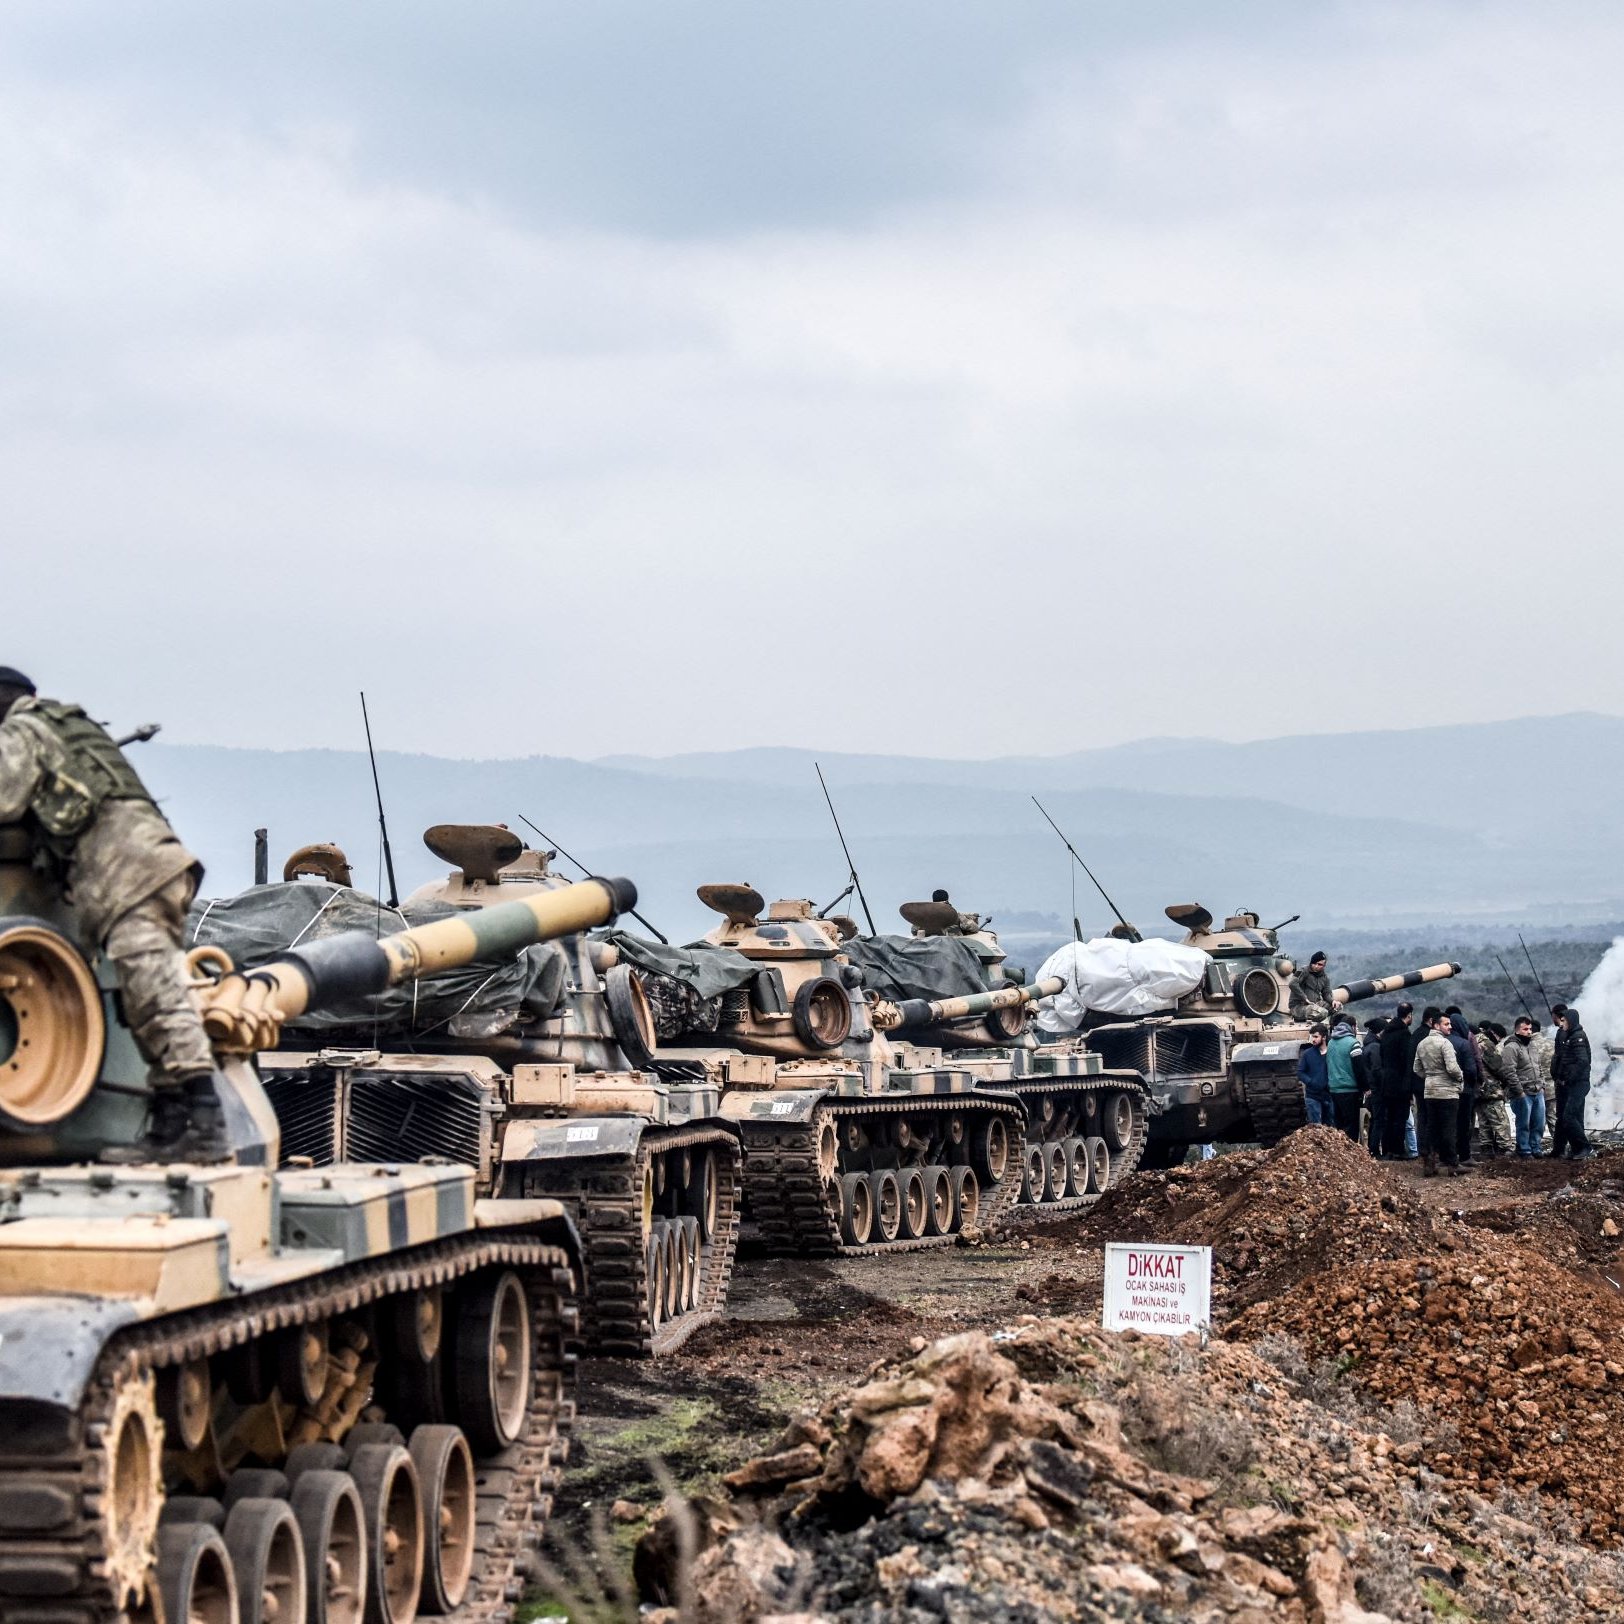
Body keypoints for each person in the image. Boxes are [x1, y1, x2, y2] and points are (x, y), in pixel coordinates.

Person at [0, 668, 230, 1163]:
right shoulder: (65, 728)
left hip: (129, 872)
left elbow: (4, 794)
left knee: (157, 993)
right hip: (149, 866)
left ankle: (206, 1122)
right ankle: (171, 1127)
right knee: (142, 999)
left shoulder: (23, 730)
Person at [1414, 1012, 1465, 1176]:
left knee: (1431, 1128)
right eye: (1446, 1024)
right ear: (1436, 1025)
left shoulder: (1422, 1044)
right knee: (1449, 1128)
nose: (1450, 1027)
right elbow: (1452, 1068)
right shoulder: (1445, 1044)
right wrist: (1460, 1077)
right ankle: (1452, 1164)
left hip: (1430, 1091)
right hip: (1447, 1092)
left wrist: (1430, 1077)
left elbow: (1417, 1068)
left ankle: (1429, 1163)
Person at [1551, 1004, 1594, 1159]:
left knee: (1569, 1116)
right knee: (1569, 1116)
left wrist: (1570, 1076)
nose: (1562, 1023)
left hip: (1578, 1083)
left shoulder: (1577, 1037)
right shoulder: (1568, 1036)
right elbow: (1561, 1058)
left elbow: (1582, 1061)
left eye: (1564, 1020)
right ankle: (1574, 1150)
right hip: (1568, 1083)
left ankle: (1584, 1148)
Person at [1501, 1014, 1545, 1158]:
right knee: (1523, 1124)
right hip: (1522, 1093)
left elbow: (1539, 1066)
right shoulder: (1511, 1047)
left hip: (1537, 1091)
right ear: (1517, 1030)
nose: (1529, 1032)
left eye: (1530, 1029)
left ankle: (1536, 1148)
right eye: (1525, 1029)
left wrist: (1542, 1085)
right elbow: (1509, 1071)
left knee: (1538, 1123)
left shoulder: (1532, 1046)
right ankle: (1524, 1150)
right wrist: (1519, 1091)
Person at [1444, 1004, 1482, 1164]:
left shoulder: (1443, 1042)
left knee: (1448, 1124)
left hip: (1446, 1090)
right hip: (1465, 1089)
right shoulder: (1464, 1043)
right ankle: (1465, 1156)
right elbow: (1472, 1068)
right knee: (1464, 1124)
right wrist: (1475, 1082)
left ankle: (1447, 1156)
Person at [1378, 1003, 1417, 1158]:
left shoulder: (1386, 1034)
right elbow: (1407, 1062)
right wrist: (1409, 1087)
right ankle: (1398, 1150)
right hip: (1400, 1083)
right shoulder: (1404, 1035)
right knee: (1400, 1118)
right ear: (1409, 1015)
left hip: (1386, 1082)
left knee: (1389, 1117)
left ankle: (1387, 1150)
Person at [1474, 1023, 1517, 1158]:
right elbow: (1498, 1066)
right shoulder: (1485, 1043)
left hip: (1477, 1089)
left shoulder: (1470, 1041)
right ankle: (1505, 1149)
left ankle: (1486, 1149)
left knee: (1483, 1121)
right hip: (1491, 1089)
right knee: (1500, 1120)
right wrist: (1506, 1082)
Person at [1325, 1016, 1364, 1143]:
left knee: (1339, 1125)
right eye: (1356, 1026)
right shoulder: (1353, 1043)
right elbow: (1359, 1068)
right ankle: (1352, 1155)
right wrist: (1365, 1087)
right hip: (1350, 1089)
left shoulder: (1330, 1043)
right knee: (1351, 1126)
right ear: (1352, 1027)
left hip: (1334, 1089)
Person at [1297, 1023, 1333, 1126]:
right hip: (1313, 1095)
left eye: (1316, 1036)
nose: (1313, 1039)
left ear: (1324, 1037)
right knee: (1315, 1127)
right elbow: (1300, 1072)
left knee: (1331, 1127)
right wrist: (1311, 1082)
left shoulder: (1332, 1052)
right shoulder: (1307, 1054)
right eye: (1312, 1036)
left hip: (1330, 1094)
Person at [1361, 1016, 1387, 1152]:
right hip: (1378, 1089)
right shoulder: (1375, 1047)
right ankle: (1375, 1149)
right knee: (1379, 1120)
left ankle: (1372, 1148)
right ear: (1380, 1031)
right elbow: (1377, 1070)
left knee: (1374, 1120)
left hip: (1372, 1088)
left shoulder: (1367, 1045)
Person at [1548, 1002, 1570, 1153]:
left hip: (1563, 1081)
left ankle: (1559, 1149)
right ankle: (1559, 1148)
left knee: (1562, 1116)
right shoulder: (1568, 1031)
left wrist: (1559, 1077)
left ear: (1556, 1016)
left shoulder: (1562, 1032)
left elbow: (1561, 1058)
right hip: (1565, 1080)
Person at [1290, 952, 1335, 1023]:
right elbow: (1292, 983)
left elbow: (1326, 994)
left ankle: (1333, 1028)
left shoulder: (1324, 977)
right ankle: (1312, 1026)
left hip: (1314, 1005)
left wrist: (1333, 1001)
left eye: (1320, 964)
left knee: (1336, 1007)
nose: (1316, 966)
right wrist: (1304, 998)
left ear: (1324, 965)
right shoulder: (1303, 971)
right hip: (1298, 1006)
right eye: (1314, 963)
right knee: (1322, 1012)